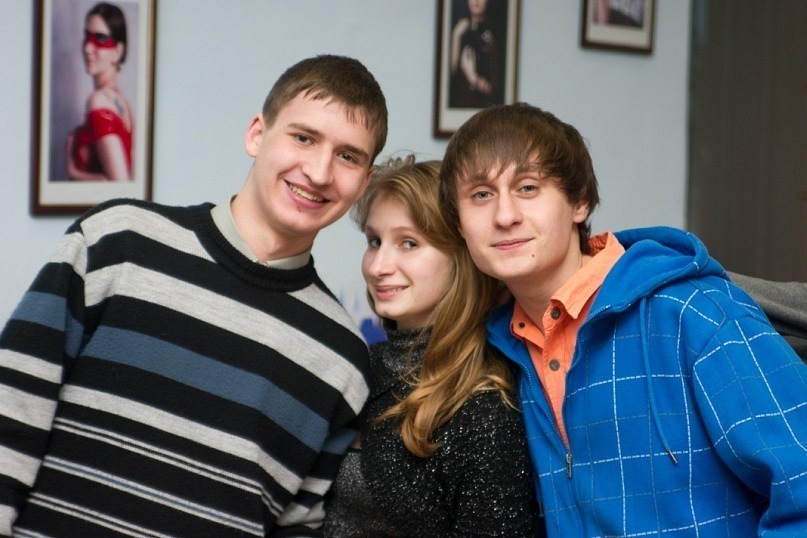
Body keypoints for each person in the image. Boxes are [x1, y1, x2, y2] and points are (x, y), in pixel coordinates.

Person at [0, 54, 387, 536]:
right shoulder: (117, 243)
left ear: (364, 182)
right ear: (257, 134)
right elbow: (11, 412)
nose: (320, 171)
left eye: (348, 156)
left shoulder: (342, 359)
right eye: (304, 138)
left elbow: (298, 526)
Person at [437, 102, 807, 536]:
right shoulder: (500, 352)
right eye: (481, 195)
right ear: (459, 224)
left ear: (579, 202)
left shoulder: (693, 312)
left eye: (528, 187)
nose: (505, 216)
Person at [323, 156, 540, 536]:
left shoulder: (484, 408)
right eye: (375, 242)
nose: (378, 266)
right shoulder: (360, 364)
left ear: (462, 256)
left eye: (408, 243)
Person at [67, 2, 134, 181]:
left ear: (118, 51)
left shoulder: (98, 100)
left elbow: (119, 183)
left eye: (101, 39)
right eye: (86, 37)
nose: (88, 48)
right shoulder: (121, 101)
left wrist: (74, 173)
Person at [449, 0, 503, 108]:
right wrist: (456, 37)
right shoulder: (460, 29)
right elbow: (450, 78)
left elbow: (495, 90)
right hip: (460, 104)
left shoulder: (494, 34)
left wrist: (473, 77)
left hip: (483, 107)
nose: (476, 1)